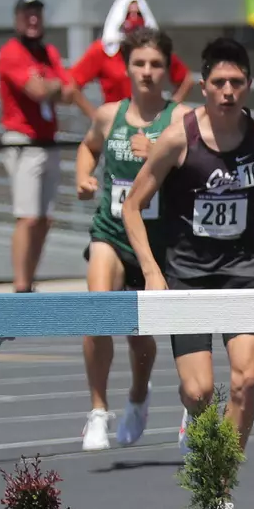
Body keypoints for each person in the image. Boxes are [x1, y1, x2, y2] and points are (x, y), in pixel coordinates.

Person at [123, 37, 254, 509]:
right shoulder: (178, 139)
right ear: (203, 86)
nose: (227, 91)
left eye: (236, 82)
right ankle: (195, 419)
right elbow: (132, 206)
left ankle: (220, 486)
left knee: (247, 380)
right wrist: (152, 271)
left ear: (248, 86)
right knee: (200, 391)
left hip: (243, 272)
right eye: (219, 82)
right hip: (187, 276)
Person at [73, 27, 180, 450]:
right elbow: (88, 146)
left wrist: (157, 156)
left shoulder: (180, 119)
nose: (147, 72)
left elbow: (198, 166)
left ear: (167, 70)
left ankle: (138, 393)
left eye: (155, 64)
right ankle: (98, 410)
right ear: (127, 68)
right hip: (112, 231)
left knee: (140, 334)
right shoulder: (109, 115)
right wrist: (84, 177)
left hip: (158, 241)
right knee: (97, 314)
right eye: (139, 63)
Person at [0, 0, 93, 293]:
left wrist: (51, 86)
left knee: (44, 220)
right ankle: (20, 286)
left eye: (37, 12)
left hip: (48, 140)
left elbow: (69, 91)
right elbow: (38, 90)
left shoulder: (48, 52)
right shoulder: (11, 52)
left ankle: (30, 281)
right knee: (27, 217)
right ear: (17, 19)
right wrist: (54, 86)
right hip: (24, 141)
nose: (33, 19)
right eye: (27, 13)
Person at [69, 0, 196, 105]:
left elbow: (186, 79)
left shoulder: (155, 50)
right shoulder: (104, 50)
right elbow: (72, 82)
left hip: (151, 119)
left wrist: (170, 110)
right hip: (117, 119)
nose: (134, 18)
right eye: (128, 14)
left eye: (139, 14)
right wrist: (95, 116)